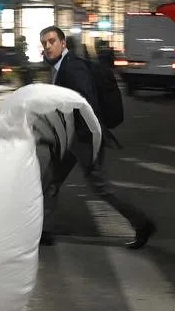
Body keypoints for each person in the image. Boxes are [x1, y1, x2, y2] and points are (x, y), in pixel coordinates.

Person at [38, 25, 156, 249]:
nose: (48, 46)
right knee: (50, 180)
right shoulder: (60, 67)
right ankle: (43, 231)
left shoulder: (72, 68)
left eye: (52, 41)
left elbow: (86, 103)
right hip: (70, 139)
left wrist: (88, 137)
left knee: (101, 187)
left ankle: (142, 223)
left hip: (84, 138)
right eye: (44, 43)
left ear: (63, 43)